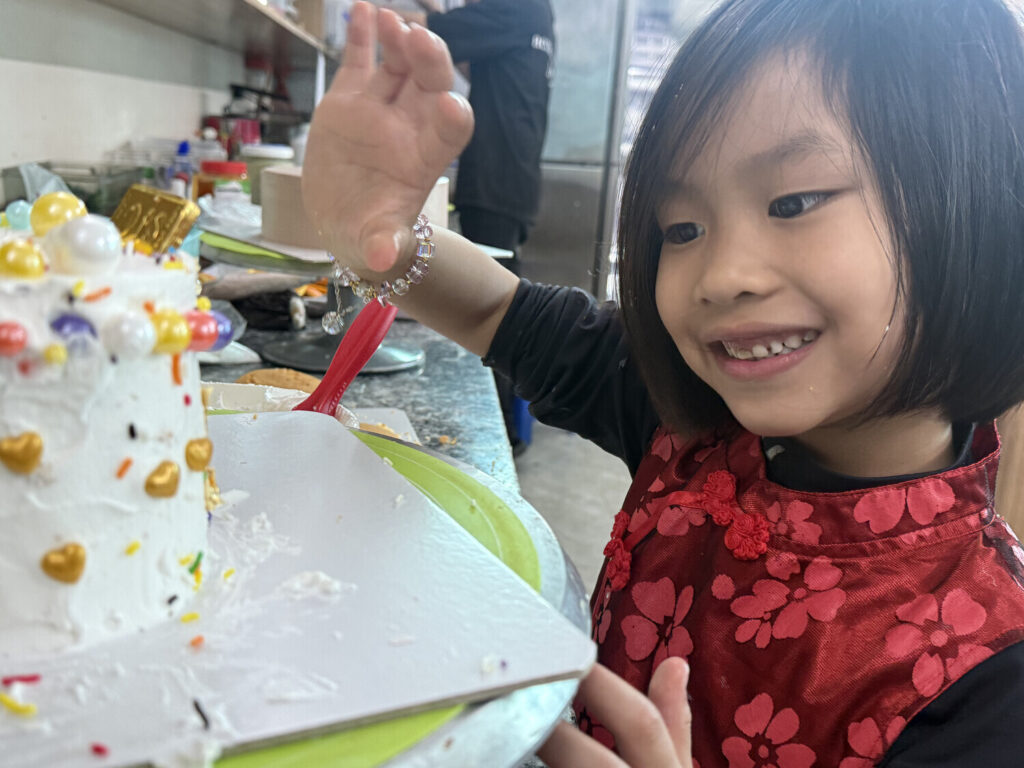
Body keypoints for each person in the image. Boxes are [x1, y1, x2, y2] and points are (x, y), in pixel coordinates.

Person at [301, 1, 1024, 764]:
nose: (722, 276)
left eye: (794, 203)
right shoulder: (693, 421)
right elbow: (492, 309)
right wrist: (377, 231)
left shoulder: (993, 680)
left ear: (975, 202)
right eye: (683, 229)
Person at [394, 0, 554, 274]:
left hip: (496, 179)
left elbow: (431, 32)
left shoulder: (516, 6)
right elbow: (469, 58)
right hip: (513, 181)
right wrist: (435, 11)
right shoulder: (535, 12)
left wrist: (365, 14)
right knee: (497, 282)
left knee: (488, 289)